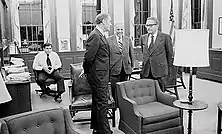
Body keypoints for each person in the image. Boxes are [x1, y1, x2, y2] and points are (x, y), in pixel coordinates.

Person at [83, 13, 112, 134]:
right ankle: (105, 131)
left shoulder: (100, 35)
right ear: (103, 22)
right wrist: (86, 72)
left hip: (100, 75)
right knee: (102, 104)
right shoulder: (95, 35)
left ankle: (97, 129)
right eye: (109, 21)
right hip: (98, 77)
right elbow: (88, 58)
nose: (110, 24)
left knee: (97, 103)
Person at [139, 16, 173, 92]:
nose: (148, 27)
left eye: (151, 25)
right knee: (147, 93)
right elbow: (144, 53)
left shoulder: (165, 37)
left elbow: (170, 55)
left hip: (160, 71)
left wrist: (168, 71)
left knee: (160, 94)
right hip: (146, 71)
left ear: (157, 26)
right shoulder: (143, 38)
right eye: (147, 25)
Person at [107, 23, 134, 103]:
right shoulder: (109, 40)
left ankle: (124, 103)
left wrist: (132, 65)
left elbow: (131, 52)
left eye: (121, 29)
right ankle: (115, 104)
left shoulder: (127, 39)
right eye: (118, 29)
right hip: (114, 68)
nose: (120, 31)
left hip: (125, 67)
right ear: (115, 30)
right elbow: (107, 55)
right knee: (114, 87)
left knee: (124, 87)